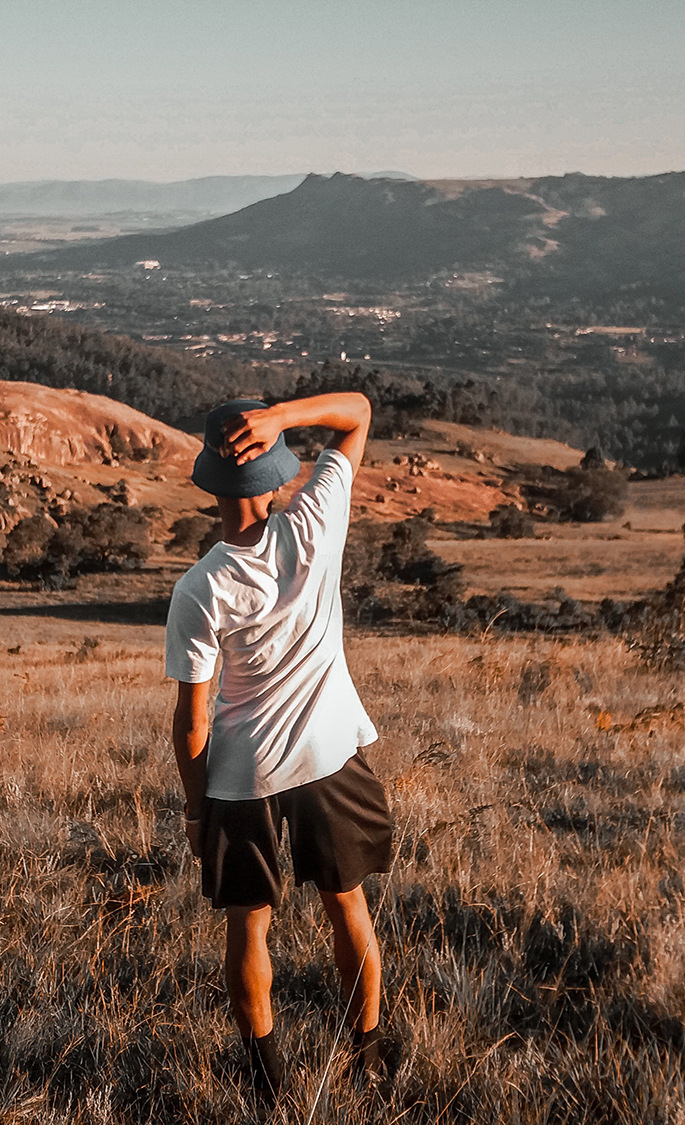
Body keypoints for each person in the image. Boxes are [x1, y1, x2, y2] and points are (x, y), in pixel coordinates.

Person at [165, 392, 395, 1104]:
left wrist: (198, 813)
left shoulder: (199, 588)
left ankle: (269, 1082)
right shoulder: (316, 521)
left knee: (249, 926)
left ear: (210, 482)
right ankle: (370, 1055)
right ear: (274, 471)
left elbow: (194, 721)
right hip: (329, 755)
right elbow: (357, 411)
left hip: (244, 774)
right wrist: (282, 418)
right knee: (347, 905)